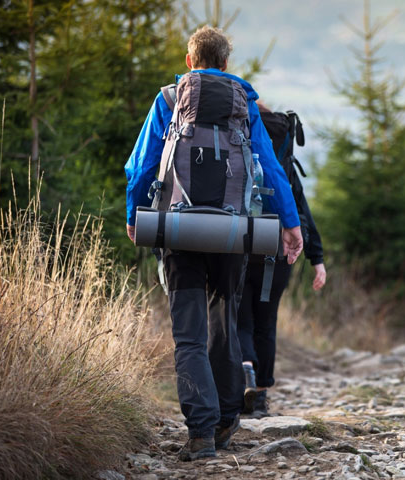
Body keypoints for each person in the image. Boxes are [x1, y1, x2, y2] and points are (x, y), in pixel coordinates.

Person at [124, 26, 303, 461]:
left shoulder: (169, 100)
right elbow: (269, 167)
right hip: (232, 233)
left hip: (179, 232)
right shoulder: (245, 105)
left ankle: (200, 434)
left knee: (189, 335)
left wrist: (135, 215)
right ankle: (226, 421)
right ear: (225, 64)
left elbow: (142, 164)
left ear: (190, 61)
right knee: (225, 328)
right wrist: (290, 224)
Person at [238, 107, 327, 417]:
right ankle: (260, 398)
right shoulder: (283, 157)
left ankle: (246, 370)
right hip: (279, 244)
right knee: (267, 320)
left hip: (239, 240)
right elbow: (300, 204)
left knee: (240, 316)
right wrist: (317, 258)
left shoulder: (235, 137)